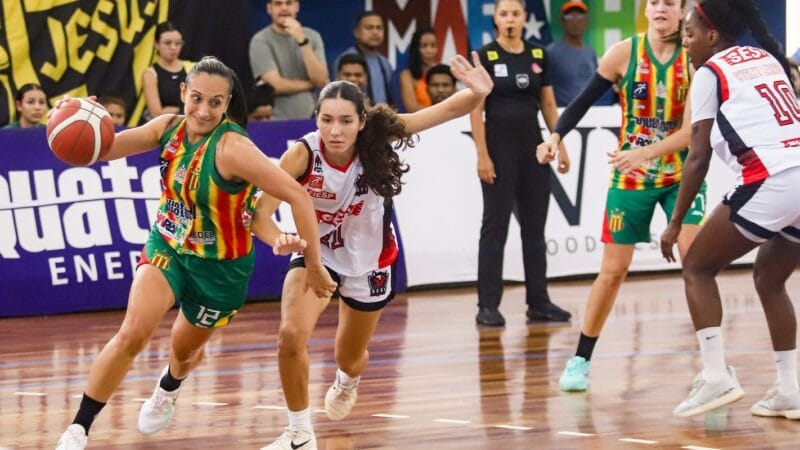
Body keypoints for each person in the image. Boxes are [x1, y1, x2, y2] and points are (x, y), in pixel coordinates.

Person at [54, 56, 336, 450]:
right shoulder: (167, 127)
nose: (204, 110)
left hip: (221, 269)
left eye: (216, 103)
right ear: (183, 93)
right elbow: (98, 150)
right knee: (133, 332)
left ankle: (170, 383)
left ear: (227, 103)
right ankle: (78, 429)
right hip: (168, 247)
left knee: (184, 353)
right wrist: (75, 117)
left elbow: (298, 195)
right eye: (197, 98)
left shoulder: (234, 148)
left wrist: (311, 263)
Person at [253, 53, 492, 450]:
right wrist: (278, 237)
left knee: (349, 357)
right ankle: (298, 433)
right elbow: (259, 213)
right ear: (316, 120)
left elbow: (446, 109)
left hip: (370, 261)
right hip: (317, 254)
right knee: (290, 335)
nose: (335, 130)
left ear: (362, 122)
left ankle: (348, 382)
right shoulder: (301, 155)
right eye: (326, 120)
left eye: (345, 120)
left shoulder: (378, 138)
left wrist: (477, 93)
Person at [538, 0, 706, 392]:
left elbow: (691, 133)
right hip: (632, 179)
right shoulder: (624, 53)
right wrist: (556, 137)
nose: (661, 8)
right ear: (646, 10)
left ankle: (713, 365)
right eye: (654, 2)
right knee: (612, 272)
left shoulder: (694, 58)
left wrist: (642, 152)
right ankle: (580, 359)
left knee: (695, 264)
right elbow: (578, 104)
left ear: (683, 12)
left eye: (669, 3)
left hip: (680, 176)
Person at [662, 0, 800, 419]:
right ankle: (790, 390)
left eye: (688, 34)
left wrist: (674, 223)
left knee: (697, 267)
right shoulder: (764, 56)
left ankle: (716, 375)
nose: (684, 43)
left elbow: (697, 156)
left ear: (712, 35)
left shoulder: (710, 72)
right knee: (769, 278)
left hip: (773, 177)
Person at [470, 0, 571, 328]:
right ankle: (487, 305)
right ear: (496, 19)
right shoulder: (484, 55)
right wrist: (482, 155)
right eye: (504, 14)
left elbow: (548, 103)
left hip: (533, 150)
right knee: (494, 226)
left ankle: (538, 302)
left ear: (524, 18)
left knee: (535, 228)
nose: (510, 19)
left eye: (515, 14)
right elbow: (476, 110)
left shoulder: (539, 55)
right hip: (499, 151)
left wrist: (560, 142)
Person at [249, 0, 328, 119]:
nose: (284, 8)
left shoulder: (313, 36)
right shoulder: (260, 40)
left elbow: (321, 80)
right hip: (277, 120)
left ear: (296, 6)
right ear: (269, 8)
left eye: (289, 3)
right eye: (278, 4)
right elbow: (275, 85)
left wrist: (302, 41)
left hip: (313, 117)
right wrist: (310, 84)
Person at [546, 1, 613, 106]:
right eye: (569, 16)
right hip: (563, 115)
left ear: (587, 21)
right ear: (562, 21)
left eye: (580, 16)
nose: (575, 20)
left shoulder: (590, 52)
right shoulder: (551, 52)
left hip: (591, 115)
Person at [335, 11, 398, 108]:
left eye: (379, 28)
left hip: (381, 119)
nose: (375, 32)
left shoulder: (385, 63)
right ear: (356, 32)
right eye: (369, 28)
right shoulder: (345, 60)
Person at [142, 22, 193, 120]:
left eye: (178, 43)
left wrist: (173, 109)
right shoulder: (150, 74)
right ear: (156, 44)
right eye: (168, 43)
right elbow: (156, 115)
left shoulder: (192, 68)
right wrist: (183, 108)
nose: (173, 48)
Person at [399, 27, 439, 112]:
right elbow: (412, 108)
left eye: (433, 46)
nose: (429, 50)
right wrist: (444, 111)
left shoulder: (442, 71)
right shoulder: (407, 75)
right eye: (424, 46)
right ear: (415, 49)